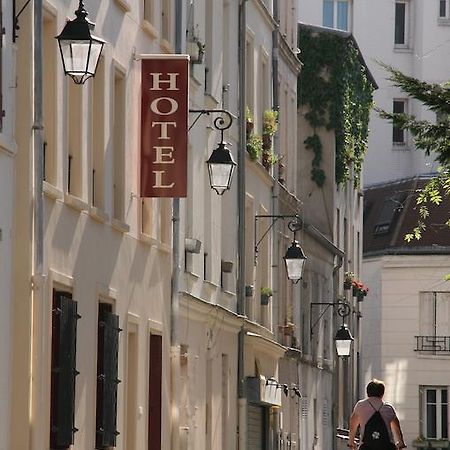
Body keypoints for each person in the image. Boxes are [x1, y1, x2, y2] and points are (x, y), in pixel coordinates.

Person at [348, 379, 407, 450]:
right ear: (382, 393)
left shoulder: (360, 406)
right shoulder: (388, 408)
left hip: (367, 447)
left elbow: (353, 426)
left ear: (367, 392)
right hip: (386, 447)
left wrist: (351, 442)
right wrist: (401, 442)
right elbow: (397, 428)